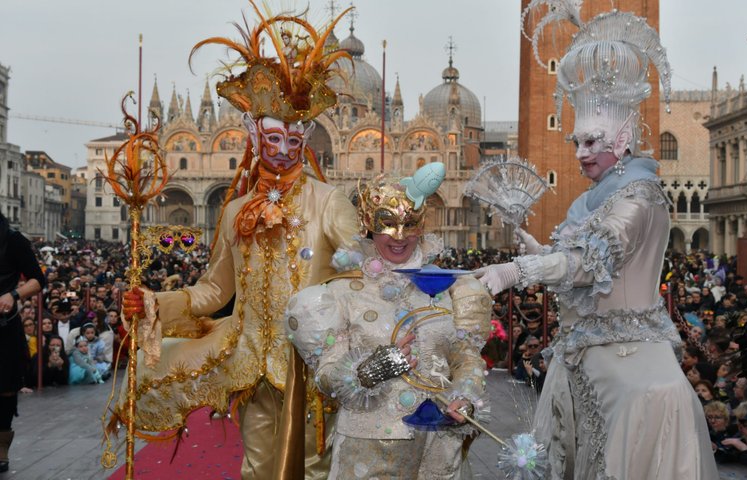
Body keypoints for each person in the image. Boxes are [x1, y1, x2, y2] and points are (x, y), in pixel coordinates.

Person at [117, 5, 358, 479]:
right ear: (253, 134)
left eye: (293, 138)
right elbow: (215, 291)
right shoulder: (233, 211)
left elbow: (359, 274)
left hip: (315, 361)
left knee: (313, 465)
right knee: (256, 466)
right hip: (251, 362)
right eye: (273, 137)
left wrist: (329, 320)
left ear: (306, 138)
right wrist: (155, 303)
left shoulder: (330, 202)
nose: (283, 149)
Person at [478, 5, 717, 478]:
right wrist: (535, 249)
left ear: (623, 139)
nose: (581, 153)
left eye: (593, 142)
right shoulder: (591, 201)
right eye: (576, 142)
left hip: (631, 366)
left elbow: (591, 262)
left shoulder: (640, 195)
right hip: (582, 356)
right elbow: (575, 268)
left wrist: (518, 272)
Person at [285, 165, 492, 478]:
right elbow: (326, 375)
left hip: (437, 453)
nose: (400, 236)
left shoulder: (449, 287)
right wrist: (370, 370)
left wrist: (464, 396)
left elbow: (466, 358)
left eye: (409, 223)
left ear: (422, 224)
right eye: (388, 223)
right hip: (369, 455)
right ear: (370, 224)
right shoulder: (343, 292)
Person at [0, 212, 45, 472]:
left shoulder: (13, 240)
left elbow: (38, 279)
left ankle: (1, 444)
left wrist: (14, 294)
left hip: (4, 325)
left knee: (5, 388)